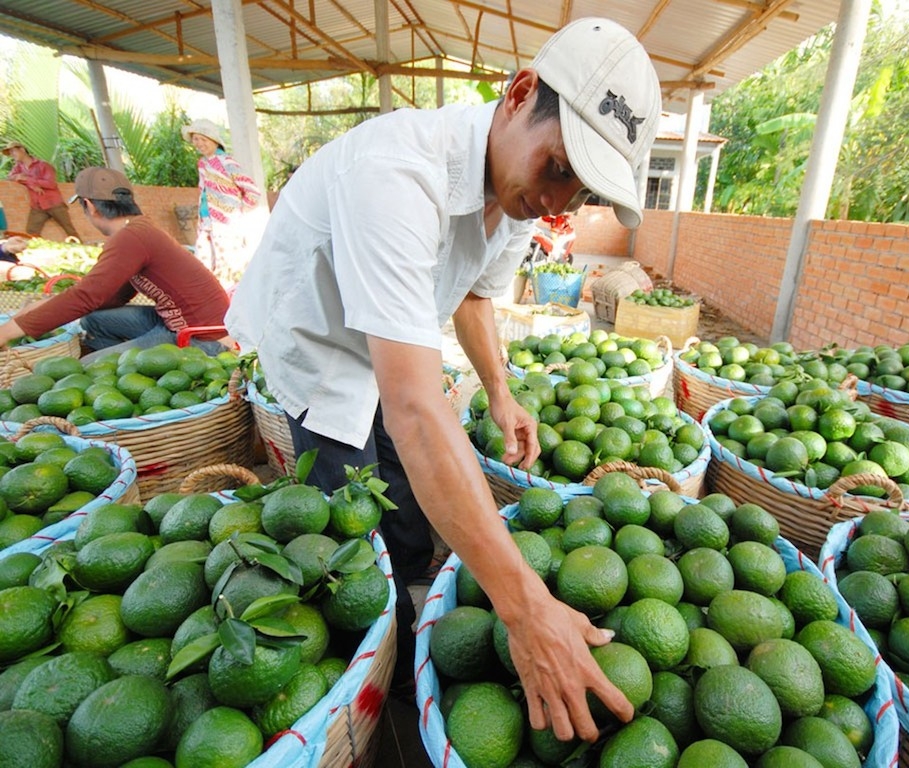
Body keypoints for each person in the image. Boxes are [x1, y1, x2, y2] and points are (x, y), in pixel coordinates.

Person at [227, 18, 660, 742]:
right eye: (560, 168)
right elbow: (416, 410)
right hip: (321, 342)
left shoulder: (517, 194)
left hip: (393, 344)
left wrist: (501, 392)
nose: (560, 202)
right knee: (349, 524)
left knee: (405, 500)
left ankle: (405, 608)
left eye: (582, 192)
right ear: (519, 95)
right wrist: (527, 613)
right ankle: (381, 669)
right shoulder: (396, 176)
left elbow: (475, 295)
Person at [0, 167, 232, 361]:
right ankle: (129, 366)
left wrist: (6, 332)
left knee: (86, 369)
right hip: (177, 322)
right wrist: (47, 305)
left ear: (89, 206)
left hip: (198, 337)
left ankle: (135, 372)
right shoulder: (139, 228)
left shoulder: (131, 237)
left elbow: (85, 297)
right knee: (93, 321)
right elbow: (112, 296)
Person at [182, 119, 262, 286]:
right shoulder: (202, 164)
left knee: (228, 269)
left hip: (226, 225)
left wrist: (236, 213)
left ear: (214, 140)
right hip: (206, 222)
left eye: (203, 139)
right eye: (196, 139)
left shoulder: (227, 162)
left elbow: (252, 192)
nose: (199, 143)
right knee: (204, 266)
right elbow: (204, 192)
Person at [1, 141, 81, 240]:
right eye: (10, 153)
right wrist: (31, 184)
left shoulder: (43, 165)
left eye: (13, 151)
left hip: (54, 203)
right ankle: (40, 247)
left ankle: (80, 247)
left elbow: (51, 184)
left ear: (22, 150)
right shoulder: (18, 167)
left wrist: (28, 179)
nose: (12, 155)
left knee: (69, 230)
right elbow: (10, 178)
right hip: (37, 206)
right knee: (31, 232)